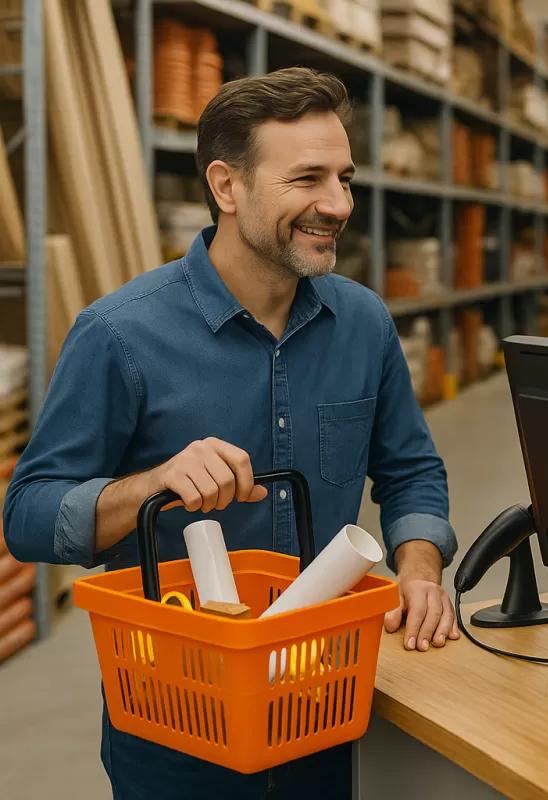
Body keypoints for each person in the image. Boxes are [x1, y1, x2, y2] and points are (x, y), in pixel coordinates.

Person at [3, 68, 458, 797]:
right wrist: (150, 485)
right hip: (176, 719)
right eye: (307, 179)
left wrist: (419, 569)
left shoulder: (364, 323)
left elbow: (410, 470)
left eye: (345, 177)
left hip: (321, 704)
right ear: (227, 186)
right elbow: (26, 515)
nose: (337, 204)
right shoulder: (120, 334)